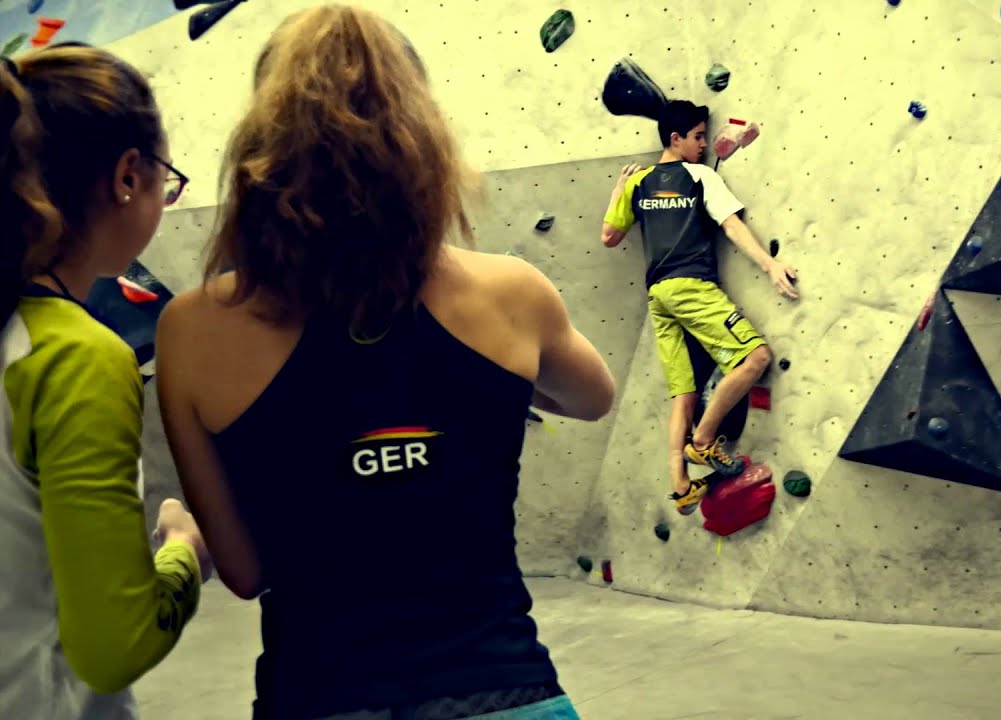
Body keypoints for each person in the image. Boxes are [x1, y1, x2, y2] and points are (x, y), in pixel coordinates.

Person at [154, 6, 614, 720]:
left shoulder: (192, 330)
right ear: (423, 136)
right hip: (509, 691)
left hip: (316, 697)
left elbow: (245, 573)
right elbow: (591, 398)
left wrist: (186, 538)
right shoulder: (512, 294)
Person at [0, 43, 211, 719]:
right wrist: (186, 551)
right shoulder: (74, 357)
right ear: (128, 177)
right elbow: (114, 646)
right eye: (165, 177)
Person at [600, 100, 799, 514]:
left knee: (684, 393)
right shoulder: (699, 176)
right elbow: (730, 225)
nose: (704, 145)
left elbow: (609, 236)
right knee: (755, 357)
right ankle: (703, 442)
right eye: (698, 137)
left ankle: (680, 486)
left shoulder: (639, 184)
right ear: (676, 139)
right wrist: (770, 264)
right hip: (691, 287)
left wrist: (619, 190)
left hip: (659, 297)